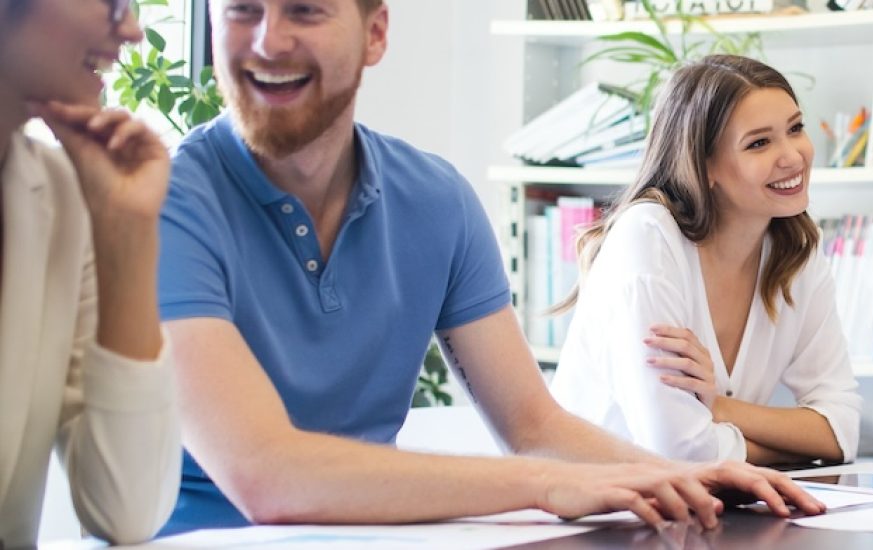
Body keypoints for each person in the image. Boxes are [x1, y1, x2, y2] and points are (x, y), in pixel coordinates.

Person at [157, 0, 822, 535]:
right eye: (241, 11)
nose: (268, 40)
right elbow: (266, 475)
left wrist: (677, 475)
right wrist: (546, 486)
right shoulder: (165, 201)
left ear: (375, 34)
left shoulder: (436, 200)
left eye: (305, 11)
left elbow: (535, 427)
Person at [549, 55, 861, 466]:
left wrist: (718, 409)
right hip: (601, 510)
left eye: (795, 128)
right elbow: (677, 451)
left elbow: (840, 433)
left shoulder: (796, 249)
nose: (793, 156)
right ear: (705, 164)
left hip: (706, 510)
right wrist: (787, 448)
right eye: (759, 143)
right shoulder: (647, 237)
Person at [0, 0, 181, 545]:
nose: (131, 29)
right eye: (112, 3)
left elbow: (127, 510)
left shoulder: (61, 193)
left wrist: (127, 232)